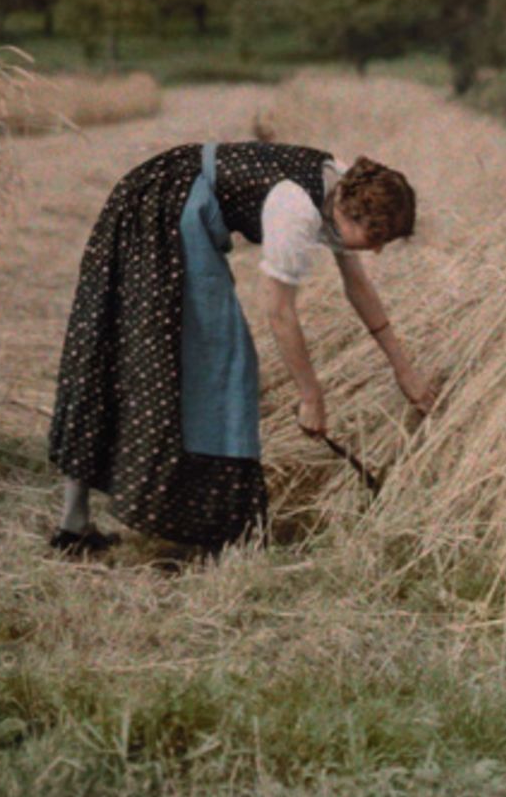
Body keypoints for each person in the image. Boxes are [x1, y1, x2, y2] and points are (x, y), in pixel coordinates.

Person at [47, 142, 436, 554]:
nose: (375, 249)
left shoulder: (342, 186)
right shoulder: (296, 208)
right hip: (161, 208)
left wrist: (403, 368)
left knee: (155, 354)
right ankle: (213, 529)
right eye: (376, 238)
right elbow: (280, 313)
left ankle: (86, 524)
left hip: (167, 197)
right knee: (217, 362)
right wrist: (310, 396)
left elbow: (357, 286)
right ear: (352, 214)